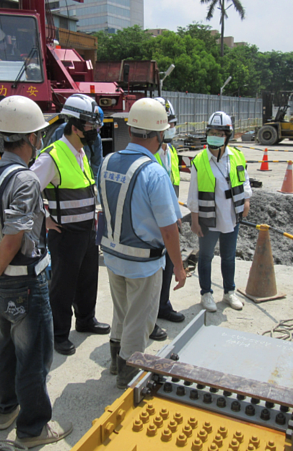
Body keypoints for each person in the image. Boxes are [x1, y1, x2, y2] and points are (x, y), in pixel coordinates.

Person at [0, 95, 72, 448]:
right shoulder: (26, 180)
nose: (40, 141)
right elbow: (13, 236)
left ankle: (5, 410)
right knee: (35, 355)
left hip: (1, 280)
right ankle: (33, 429)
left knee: (6, 347)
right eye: (38, 135)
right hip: (25, 281)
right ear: (29, 138)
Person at [98, 98, 187, 389]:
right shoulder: (154, 172)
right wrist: (179, 267)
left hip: (112, 257)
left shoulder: (108, 161)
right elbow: (169, 230)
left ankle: (114, 360)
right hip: (143, 263)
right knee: (139, 320)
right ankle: (128, 374)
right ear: (159, 135)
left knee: (121, 311)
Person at [31, 94, 110, 356]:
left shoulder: (80, 151)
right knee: (63, 286)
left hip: (87, 231)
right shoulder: (52, 156)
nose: (95, 131)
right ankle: (58, 334)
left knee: (88, 279)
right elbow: (26, 191)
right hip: (65, 234)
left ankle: (86, 320)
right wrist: (45, 220)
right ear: (74, 126)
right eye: (90, 126)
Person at [187, 111, 252, 313]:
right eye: (212, 132)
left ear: (227, 136)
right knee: (206, 256)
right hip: (208, 218)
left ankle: (229, 292)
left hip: (232, 216)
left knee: (229, 256)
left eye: (219, 133)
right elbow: (193, 194)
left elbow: (245, 180)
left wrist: (247, 200)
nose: (215, 136)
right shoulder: (200, 160)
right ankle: (206, 293)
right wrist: (195, 220)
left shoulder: (237, 156)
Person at [149, 97, 185, 342]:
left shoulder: (170, 150)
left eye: (172, 123)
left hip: (170, 218)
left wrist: (177, 216)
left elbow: (173, 185)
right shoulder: (148, 153)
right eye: (167, 124)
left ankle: (163, 305)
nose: (171, 128)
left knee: (168, 266)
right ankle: (149, 318)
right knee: (152, 272)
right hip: (153, 224)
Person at [48, 105, 104, 177]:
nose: (94, 131)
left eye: (97, 127)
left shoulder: (94, 139)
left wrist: (94, 183)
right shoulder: (48, 158)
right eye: (93, 126)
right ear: (75, 128)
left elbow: (97, 163)